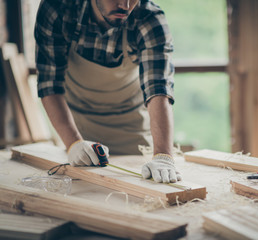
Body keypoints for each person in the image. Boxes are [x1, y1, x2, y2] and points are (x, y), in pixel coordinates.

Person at [35, 0, 181, 183]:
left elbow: (158, 89)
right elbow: (49, 84)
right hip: (78, 128)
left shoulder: (149, 18)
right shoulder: (58, 8)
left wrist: (163, 156)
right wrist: (73, 143)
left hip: (132, 133)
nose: (125, 4)